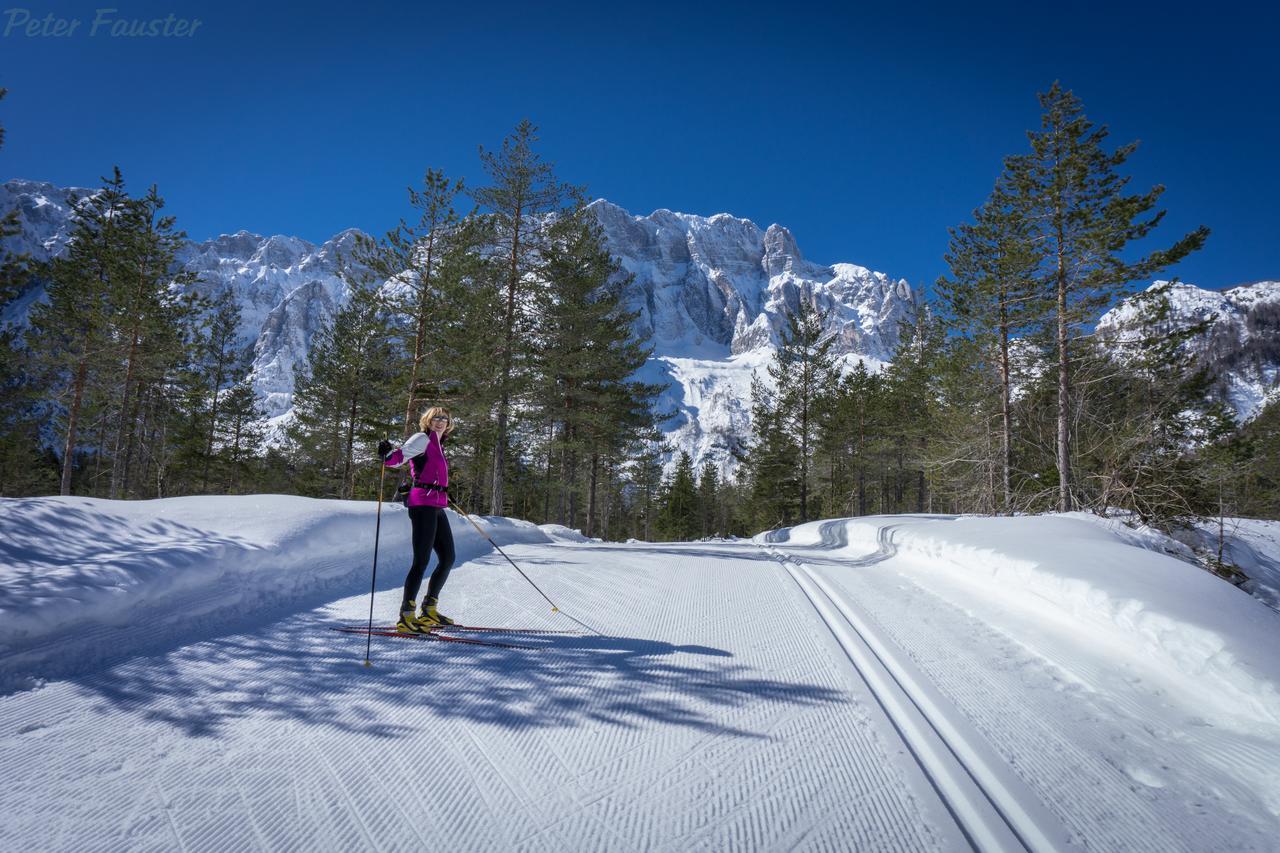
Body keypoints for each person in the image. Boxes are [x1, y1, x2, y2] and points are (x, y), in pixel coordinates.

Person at [377, 406, 457, 633]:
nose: (440, 421)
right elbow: (398, 458)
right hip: (422, 504)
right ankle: (406, 615)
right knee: (421, 561)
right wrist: (386, 455)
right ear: (428, 421)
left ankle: (429, 609)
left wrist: (443, 490)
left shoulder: (439, 444)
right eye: (436, 418)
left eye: (444, 418)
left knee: (448, 557)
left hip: (437, 504)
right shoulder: (422, 438)